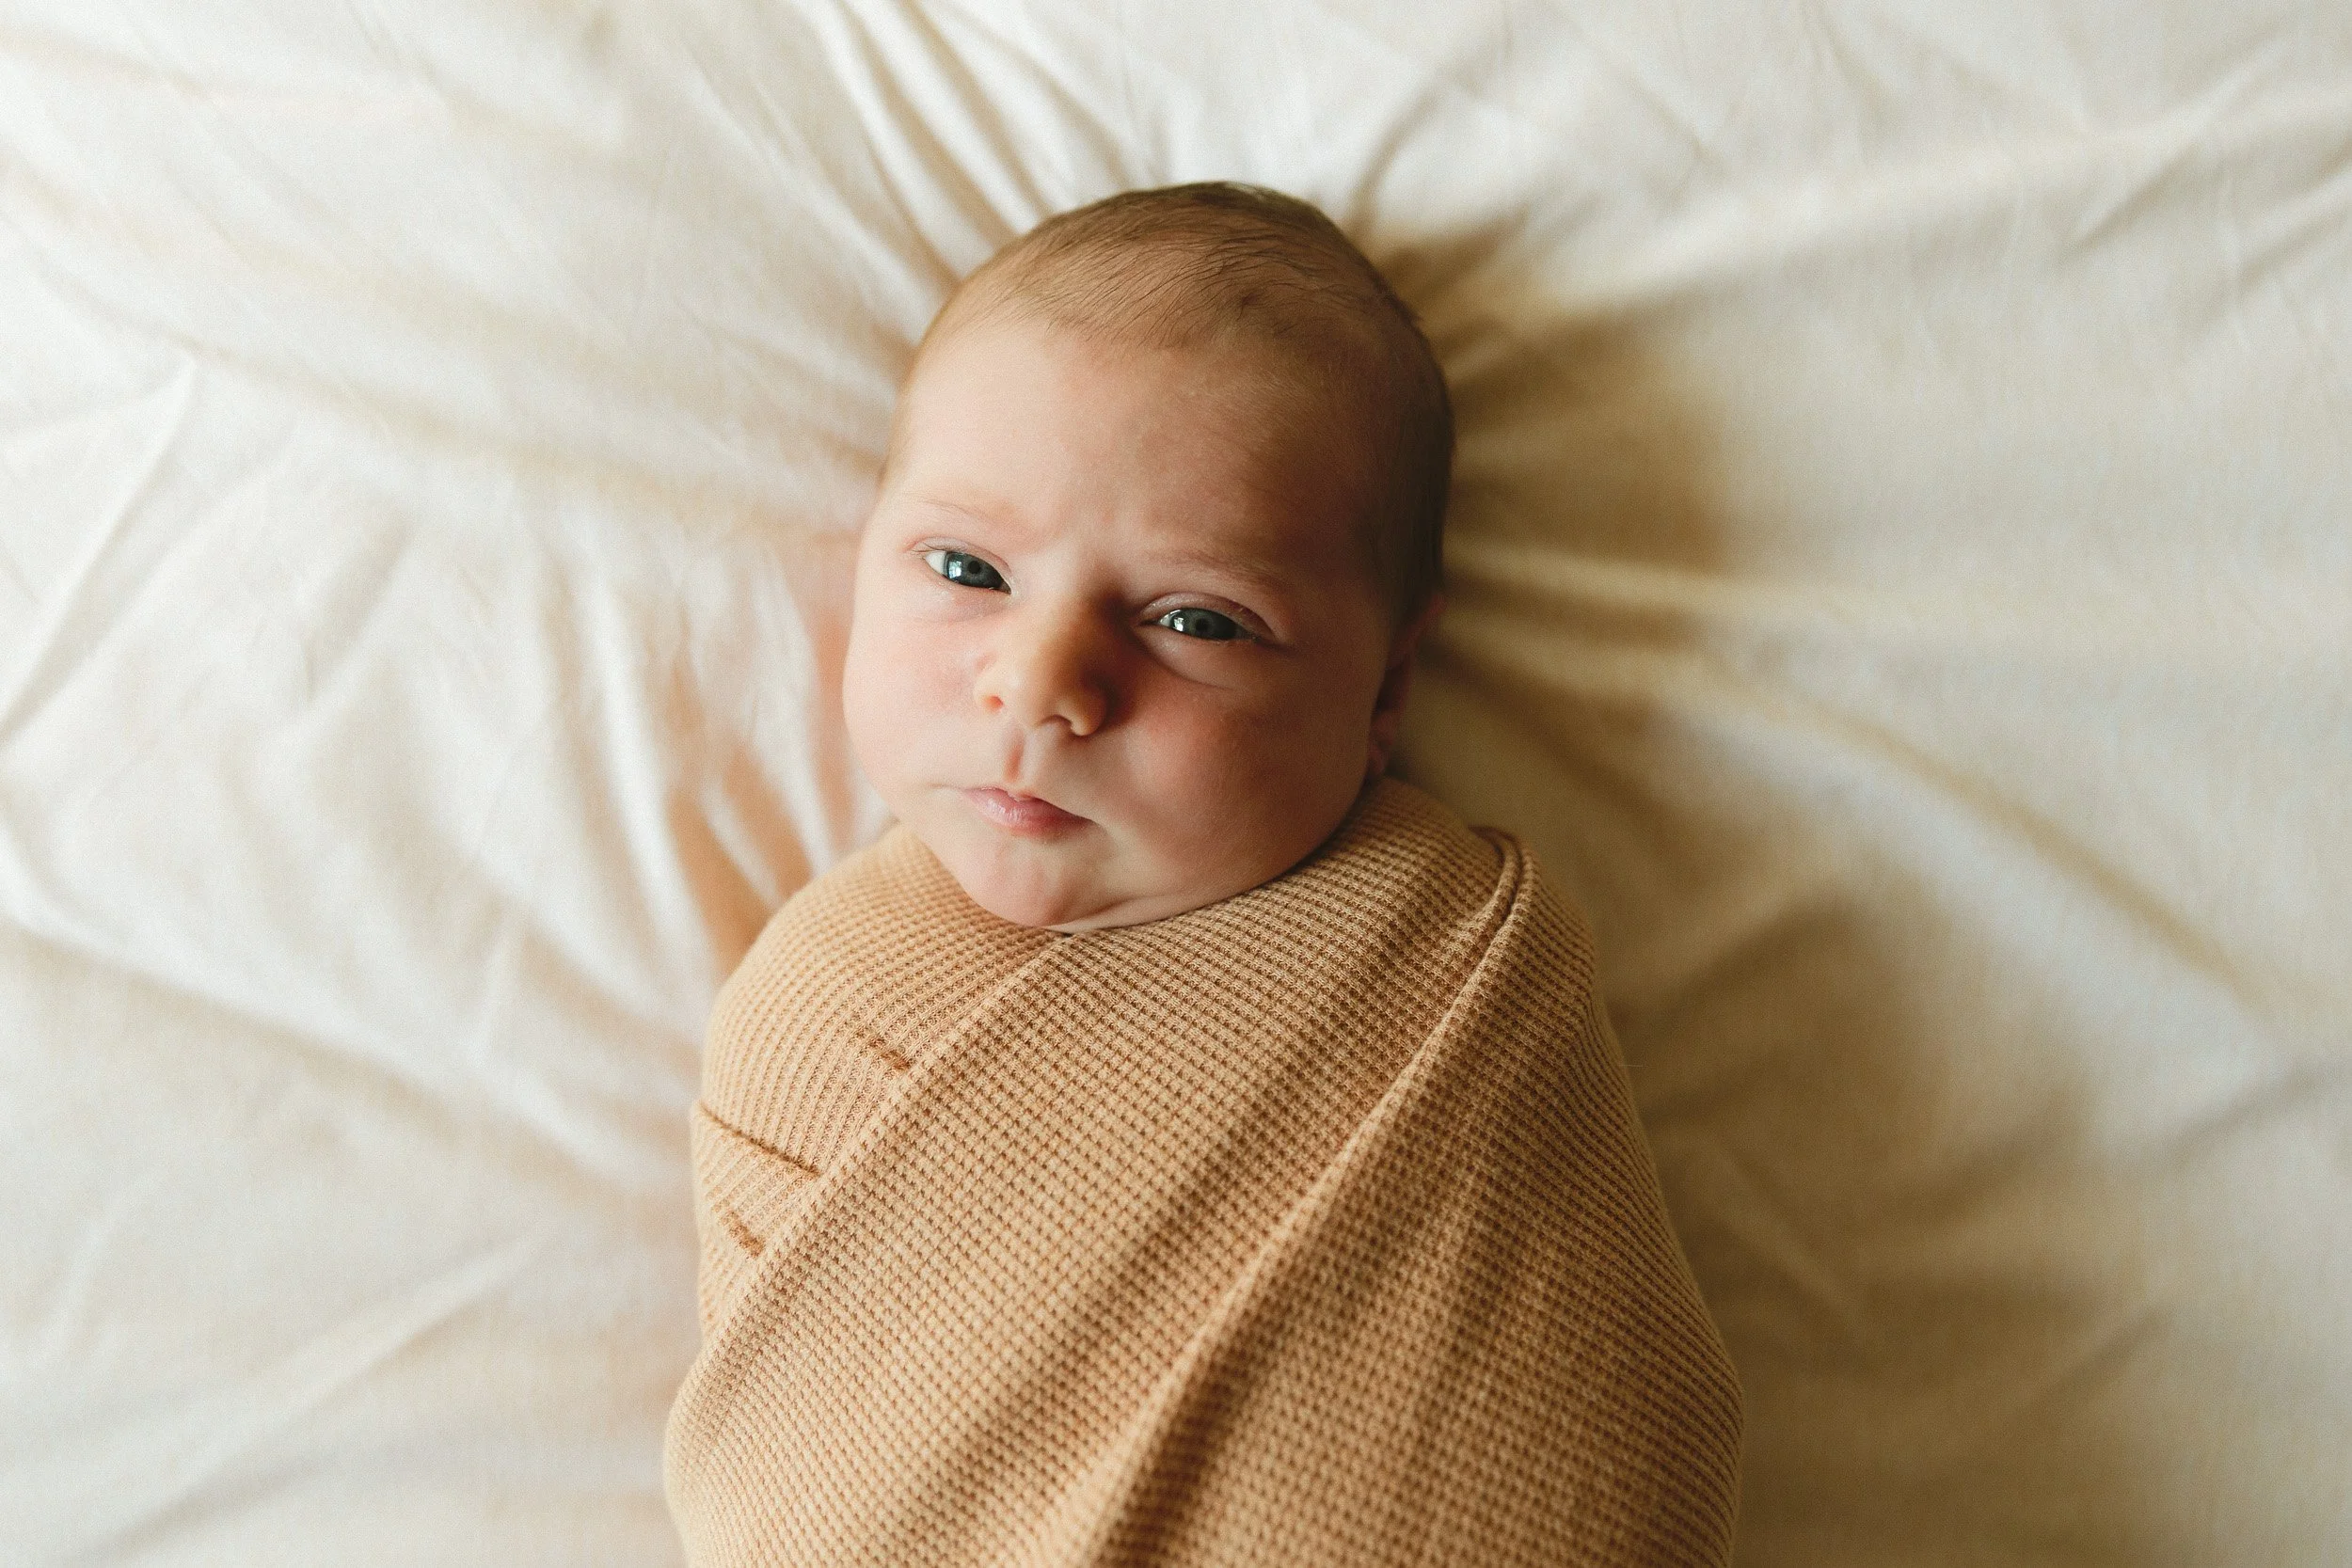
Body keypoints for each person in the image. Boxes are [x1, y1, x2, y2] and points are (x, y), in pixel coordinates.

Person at [665, 182, 1742, 1567]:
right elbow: (803, 1480)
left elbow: (1597, 1419)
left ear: (1385, 688)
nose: (1046, 683)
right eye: (967, 567)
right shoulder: (821, 1002)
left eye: (1193, 618)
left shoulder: (1449, 967)